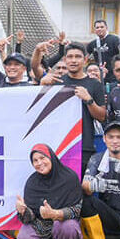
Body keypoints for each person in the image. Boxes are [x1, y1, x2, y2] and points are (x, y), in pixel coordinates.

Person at [16, 144, 84, 239]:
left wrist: (56, 214)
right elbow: (30, 218)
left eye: (42, 158)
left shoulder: (69, 178)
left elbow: (78, 210)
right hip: (41, 224)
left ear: (51, 157)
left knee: (69, 228)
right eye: (35, 160)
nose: (39, 163)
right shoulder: (32, 182)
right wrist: (23, 211)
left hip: (63, 221)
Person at [43, 43, 106, 175]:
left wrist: (89, 100)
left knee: (82, 186)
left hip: (84, 146)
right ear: (65, 59)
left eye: (78, 56)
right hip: (58, 144)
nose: (73, 60)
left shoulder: (94, 84)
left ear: (85, 60)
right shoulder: (57, 82)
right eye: (70, 56)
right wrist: (42, 85)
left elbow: (102, 116)